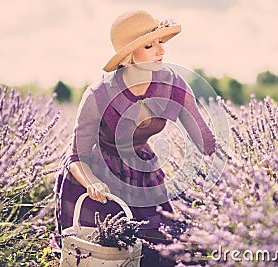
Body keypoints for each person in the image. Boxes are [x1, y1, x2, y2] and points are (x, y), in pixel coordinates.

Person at [54, 10, 216, 266]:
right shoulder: (99, 94)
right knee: (100, 256)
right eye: (149, 45)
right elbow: (76, 156)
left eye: (161, 42)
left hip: (141, 173)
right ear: (129, 56)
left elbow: (205, 142)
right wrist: (93, 183)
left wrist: (246, 171)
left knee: (160, 250)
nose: (161, 51)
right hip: (97, 176)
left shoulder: (173, 85)